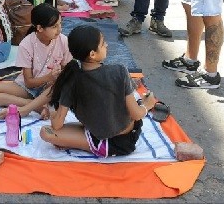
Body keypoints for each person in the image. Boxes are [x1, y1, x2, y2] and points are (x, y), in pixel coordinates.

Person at [39, 25, 155, 157]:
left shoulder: (72, 79)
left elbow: (57, 125)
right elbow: (136, 115)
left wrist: (53, 111)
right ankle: (87, 142)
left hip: (99, 137)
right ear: (92, 54)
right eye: (102, 43)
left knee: (45, 131)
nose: (106, 45)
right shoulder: (120, 71)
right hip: (124, 141)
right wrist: (147, 105)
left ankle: (79, 142)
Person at [0, 3, 72, 119]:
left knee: (60, 84)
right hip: (29, 88)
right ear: (39, 28)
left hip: (49, 90)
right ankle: (34, 106)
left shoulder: (63, 41)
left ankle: (27, 107)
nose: (59, 29)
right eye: (54, 26)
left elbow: (67, 72)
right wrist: (49, 77)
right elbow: (29, 83)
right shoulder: (26, 44)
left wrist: (56, 77)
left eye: (60, 24)